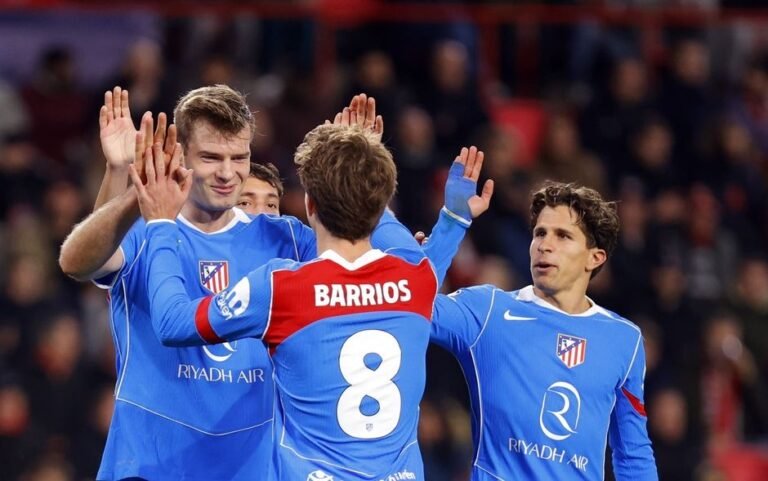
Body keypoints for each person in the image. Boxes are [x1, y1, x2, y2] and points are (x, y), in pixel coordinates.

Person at [58, 86, 475, 480]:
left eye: (238, 157)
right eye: (210, 157)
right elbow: (77, 262)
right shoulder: (151, 227)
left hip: (253, 465)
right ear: (179, 154)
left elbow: (373, 264)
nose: (227, 173)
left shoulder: (287, 238)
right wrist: (129, 183)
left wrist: (352, 171)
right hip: (153, 461)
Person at [430, 182, 658, 480]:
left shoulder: (625, 341)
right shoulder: (488, 311)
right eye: (540, 233)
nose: (544, 245)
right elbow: (409, 305)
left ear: (595, 257)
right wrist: (451, 223)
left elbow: (633, 454)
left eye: (563, 236)